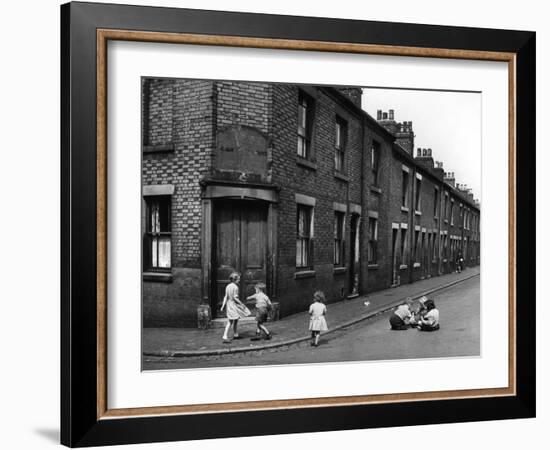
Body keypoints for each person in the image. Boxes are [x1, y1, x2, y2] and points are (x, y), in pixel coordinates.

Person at [220, 272, 251, 343]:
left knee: (235, 319)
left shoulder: (228, 286)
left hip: (229, 305)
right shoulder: (236, 287)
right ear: (234, 280)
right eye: (238, 279)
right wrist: (242, 304)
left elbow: (225, 297)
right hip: (233, 305)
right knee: (230, 321)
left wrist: (223, 306)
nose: (239, 280)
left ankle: (236, 334)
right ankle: (225, 336)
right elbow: (235, 298)